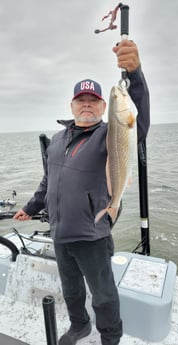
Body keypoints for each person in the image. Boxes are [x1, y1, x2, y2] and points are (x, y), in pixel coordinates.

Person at [14, 40, 150, 345]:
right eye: (81, 100)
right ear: (72, 105)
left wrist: (135, 75)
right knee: (71, 288)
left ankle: (111, 336)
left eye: (93, 100)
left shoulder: (108, 133)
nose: (86, 104)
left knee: (103, 293)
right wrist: (31, 207)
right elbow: (48, 182)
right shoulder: (58, 139)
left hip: (93, 235)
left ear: (103, 106)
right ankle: (79, 325)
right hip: (60, 233)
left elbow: (136, 124)